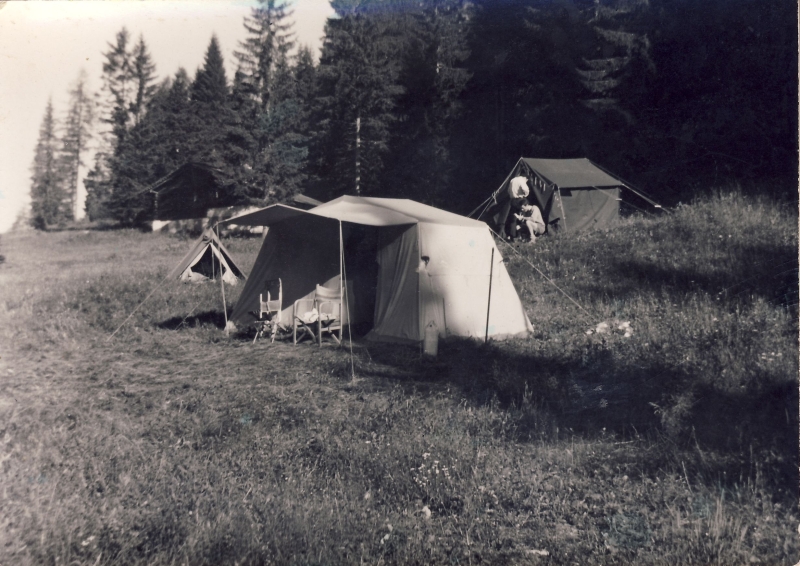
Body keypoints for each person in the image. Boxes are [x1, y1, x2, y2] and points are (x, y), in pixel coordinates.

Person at [497, 172, 530, 238]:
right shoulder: (522, 180)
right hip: (521, 200)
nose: (526, 181)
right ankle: (520, 235)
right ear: (525, 178)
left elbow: (509, 191)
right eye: (526, 180)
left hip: (513, 200)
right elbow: (525, 189)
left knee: (514, 218)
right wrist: (525, 194)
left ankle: (513, 235)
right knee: (522, 217)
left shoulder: (512, 180)